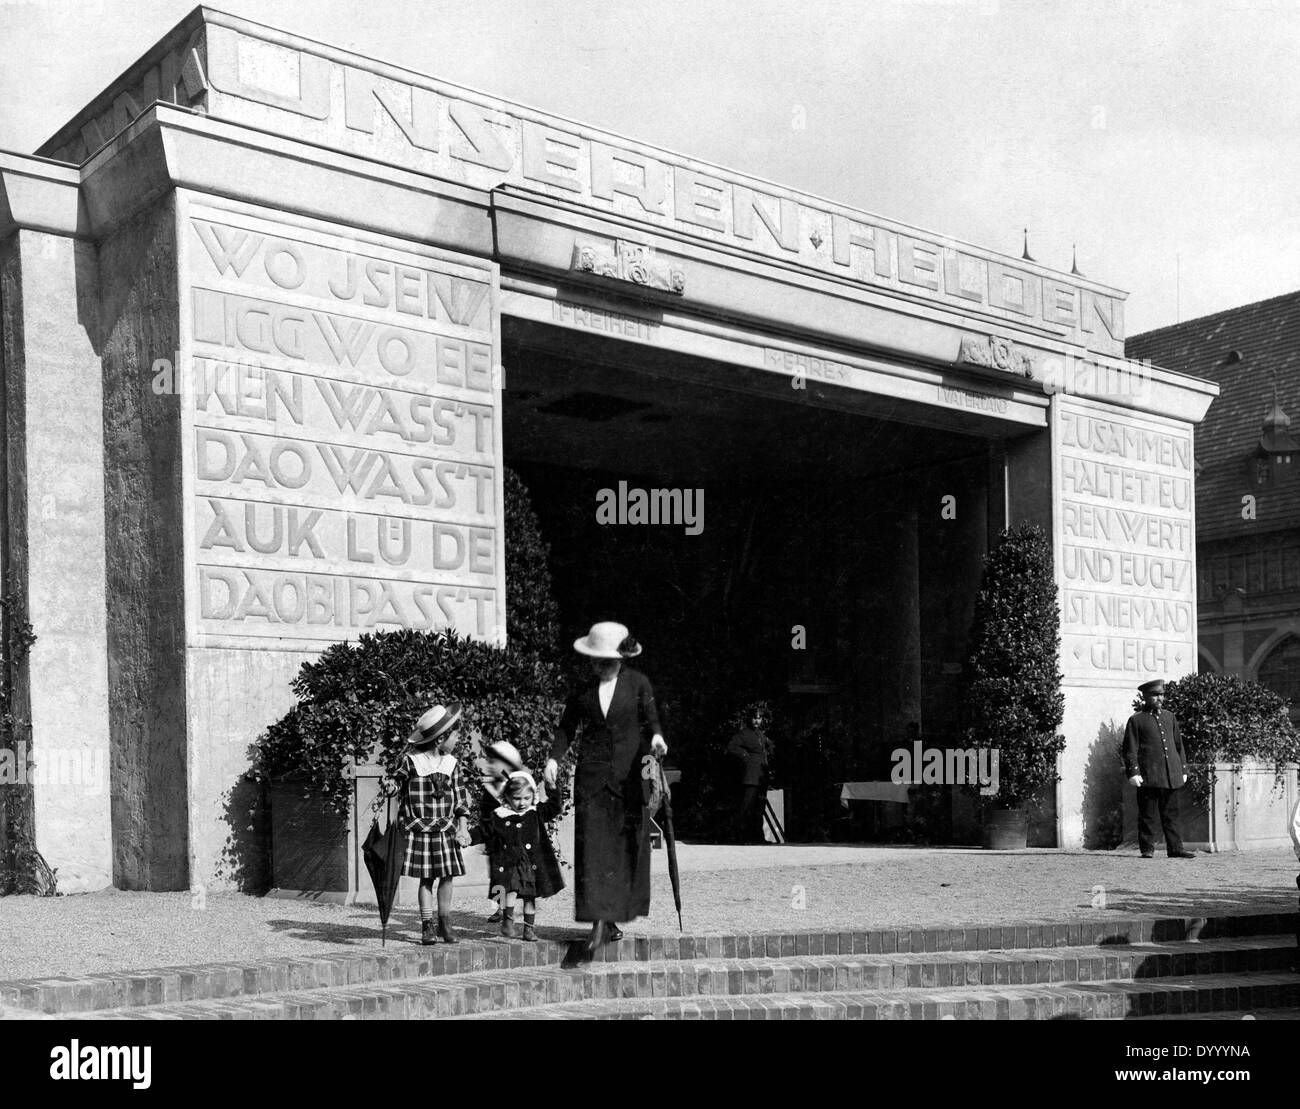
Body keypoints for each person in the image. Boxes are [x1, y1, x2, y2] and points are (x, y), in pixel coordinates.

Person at [544, 621, 668, 952]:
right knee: (593, 850)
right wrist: (554, 760)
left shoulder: (637, 684)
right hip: (591, 779)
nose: (603, 666)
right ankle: (599, 921)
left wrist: (657, 738)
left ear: (620, 659)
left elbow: (652, 718)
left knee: (623, 850)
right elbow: (566, 729)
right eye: (598, 660)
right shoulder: (583, 691)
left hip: (629, 778)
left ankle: (610, 919)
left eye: (609, 660)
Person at [388, 703, 472, 944]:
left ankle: (445, 922)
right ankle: (427, 925)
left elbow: (460, 798)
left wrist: (463, 828)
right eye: (455, 736)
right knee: (427, 879)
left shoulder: (452, 764)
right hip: (421, 830)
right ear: (440, 739)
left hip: (445, 831)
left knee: (447, 876)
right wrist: (390, 787)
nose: (458, 740)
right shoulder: (411, 761)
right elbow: (396, 783)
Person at [478, 770, 565, 940]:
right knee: (509, 892)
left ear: (532, 795)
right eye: (517, 798)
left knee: (530, 898)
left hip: (531, 865)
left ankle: (529, 929)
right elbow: (484, 831)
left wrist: (552, 789)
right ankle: (508, 923)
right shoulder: (501, 815)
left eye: (526, 798)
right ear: (507, 797)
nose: (522, 803)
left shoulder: (536, 812)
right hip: (510, 864)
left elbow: (554, 808)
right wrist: (466, 837)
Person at [1122, 678, 1196, 859]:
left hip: (1171, 775)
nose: (1160, 698)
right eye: (1155, 695)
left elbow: (1179, 746)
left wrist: (1183, 769)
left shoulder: (1170, 717)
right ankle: (1147, 849)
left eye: (1161, 695)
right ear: (1145, 697)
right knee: (1148, 814)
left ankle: (1175, 848)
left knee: (1171, 814)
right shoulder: (1136, 720)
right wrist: (1133, 771)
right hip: (1149, 776)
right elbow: (1130, 748)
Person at [476, 740, 524, 923]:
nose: (490, 765)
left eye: (494, 762)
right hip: (495, 840)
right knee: (496, 876)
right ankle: (498, 908)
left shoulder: (515, 786)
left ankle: (511, 911)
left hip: (513, 840)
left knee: (514, 876)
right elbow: (485, 813)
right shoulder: (490, 789)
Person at [727, 705, 771, 844]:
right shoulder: (744, 734)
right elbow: (732, 747)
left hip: (761, 776)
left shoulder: (761, 735)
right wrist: (745, 756)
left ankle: (758, 837)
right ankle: (742, 837)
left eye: (759, 718)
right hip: (750, 776)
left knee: (759, 808)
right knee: (747, 808)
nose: (757, 721)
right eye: (754, 718)